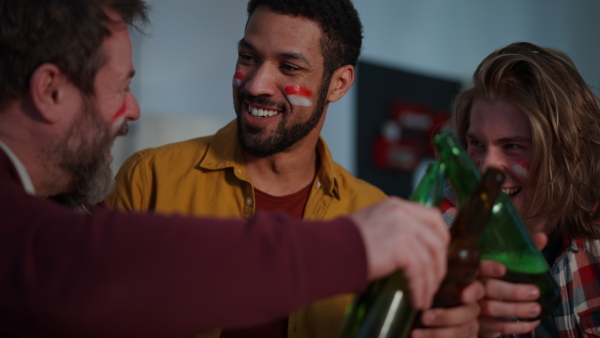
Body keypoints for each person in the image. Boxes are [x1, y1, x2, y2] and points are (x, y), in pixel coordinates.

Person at [0, 0, 456, 337]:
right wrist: (354, 246)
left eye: (289, 66)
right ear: (49, 90)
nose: (257, 84)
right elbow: (85, 275)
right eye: (248, 57)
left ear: (338, 83)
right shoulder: (150, 177)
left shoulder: (375, 211)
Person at [449, 41, 600, 337]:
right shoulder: (446, 245)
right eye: (476, 144)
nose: (485, 169)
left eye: (513, 146)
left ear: (566, 155)